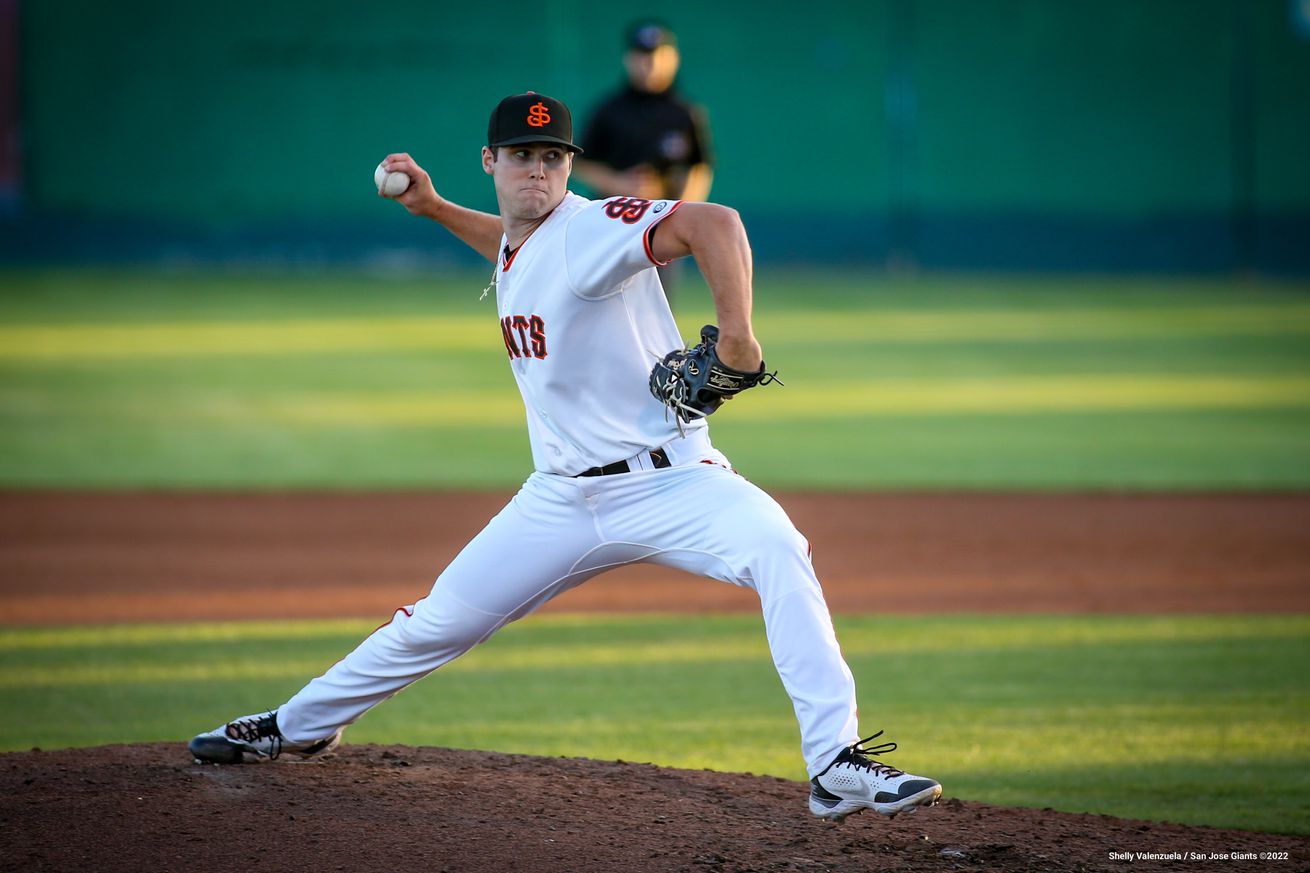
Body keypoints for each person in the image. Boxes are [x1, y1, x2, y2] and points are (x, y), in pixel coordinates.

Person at [188, 92, 941, 823]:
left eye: (553, 157)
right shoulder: (533, 240)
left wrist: (739, 337)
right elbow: (519, 249)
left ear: (570, 164)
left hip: (674, 481)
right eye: (522, 156)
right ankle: (297, 724)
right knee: (434, 623)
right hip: (558, 501)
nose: (538, 172)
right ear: (492, 161)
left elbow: (715, 221)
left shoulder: (592, 230)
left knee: (779, 548)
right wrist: (437, 209)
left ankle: (835, 761)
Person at [572, 20, 714, 303]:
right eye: (642, 55)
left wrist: (680, 212)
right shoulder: (609, 110)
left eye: (658, 55)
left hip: (661, 228)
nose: (649, 63)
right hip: (612, 226)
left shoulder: (685, 113)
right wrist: (618, 183)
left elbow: (698, 168)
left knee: (656, 310)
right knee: (606, 305)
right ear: (629, 59)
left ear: (673, 59)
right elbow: (578, 162)